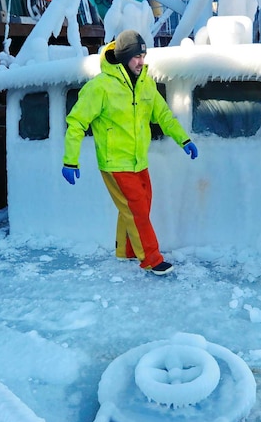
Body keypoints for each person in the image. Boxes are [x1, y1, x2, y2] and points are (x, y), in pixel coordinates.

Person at [61, 30, 198, 276]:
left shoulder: (146, 83)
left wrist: (184, 139)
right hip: (115, 162)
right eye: (136, 56)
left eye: (143, 55)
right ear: (124, 57)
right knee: (137, 210)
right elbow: (77, 122)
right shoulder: (100, 87)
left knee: (139, 207)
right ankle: (151, 259)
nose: (141, 61)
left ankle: (125, 249)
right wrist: (71, 160)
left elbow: (163, 115)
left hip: (139, 161)